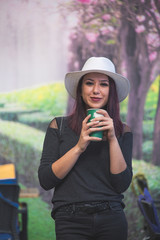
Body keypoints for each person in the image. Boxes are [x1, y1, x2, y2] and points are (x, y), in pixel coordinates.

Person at [38, 56, 133, 240]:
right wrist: (79, 147)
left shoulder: (123, 131)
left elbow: (121, 184)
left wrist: (112, 137)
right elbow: (46, 180)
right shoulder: (59, 126)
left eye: (103, 84)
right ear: (80, 89)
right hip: (69, 220)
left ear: (111, 91)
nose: (96, 90)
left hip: (111, 217)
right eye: (89, 83)